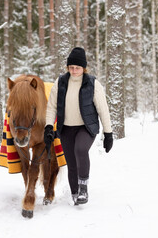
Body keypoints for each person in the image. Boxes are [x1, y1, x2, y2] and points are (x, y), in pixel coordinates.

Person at [44, 47, 113, 205]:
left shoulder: (93, 83)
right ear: (68, 67)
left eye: (78, 68)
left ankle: (83, 189)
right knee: (71, 162)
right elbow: (52, 107)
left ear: (84, 68)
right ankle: (75, 195)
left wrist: (108, 134)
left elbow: (103, 109)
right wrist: (49, 126)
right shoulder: (60, 82)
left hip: (86, 127)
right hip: (66, 128)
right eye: (71, 67)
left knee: (80, 150)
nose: (74, 71)